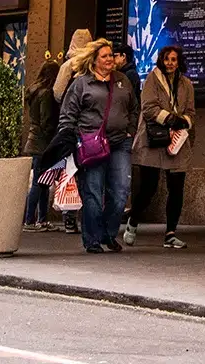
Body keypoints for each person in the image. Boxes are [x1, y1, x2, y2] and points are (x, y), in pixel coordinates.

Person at [55, 36, 139, 254]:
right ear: (94, 60)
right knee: (92, 191)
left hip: (119, 142)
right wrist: (72, 139)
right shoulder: (82, 83)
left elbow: (133, 108)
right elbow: (67, 114)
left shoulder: (123, 80)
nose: (110, 59)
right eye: (105, 56)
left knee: (120, 190)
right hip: (90, 144)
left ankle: (108, 233)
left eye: (111, 55)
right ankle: (92, 239)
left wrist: (130, 130)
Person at [135, 43, 198, 249]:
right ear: (161, 60)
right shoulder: (152, 79)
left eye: (174, 60)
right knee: (148, 188)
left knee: (176, 188)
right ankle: (133, 220)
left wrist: (184, 121)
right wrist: (170, 119)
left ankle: (171, 233)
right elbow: (148, 108)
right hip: (155, 138)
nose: (170, 63)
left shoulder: (186, 84)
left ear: (179, 62)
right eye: (167, 59)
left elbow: (191, 111)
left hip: (177, 142)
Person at [22, 54, 64, 231]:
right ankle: (31, 220)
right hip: (43, 144)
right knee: (40, 183)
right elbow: (47, 121)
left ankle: (40, 219)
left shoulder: (33, 90)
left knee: (42, 182)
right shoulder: (46, 94)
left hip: (34, 140)